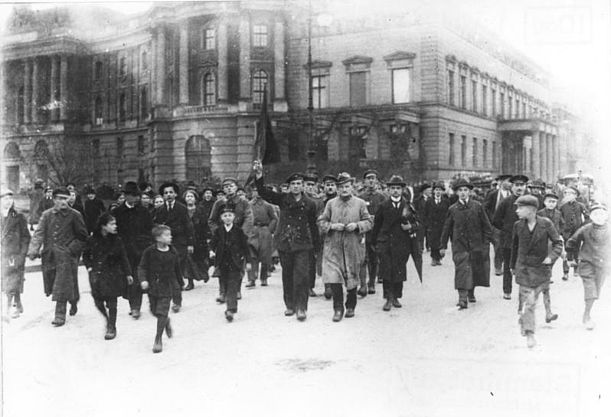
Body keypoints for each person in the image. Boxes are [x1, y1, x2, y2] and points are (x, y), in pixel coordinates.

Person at [253, 161, 320, 321]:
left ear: (303, 186)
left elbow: (313, 225)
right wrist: (259, 175)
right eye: (294, 184)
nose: (296, 186)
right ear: (289, 186)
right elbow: (263, 192)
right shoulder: (283, 199)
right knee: (288, 275)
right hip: (285, 242)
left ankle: (302, 307)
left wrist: (316, 247)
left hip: (303, 243)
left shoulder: (310, 203)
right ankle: (290, 305)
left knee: (302, 276)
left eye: (299, 184)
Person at [27, 187, 88, 326]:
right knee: (55, 282)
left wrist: (71, 250)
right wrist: (33, 249)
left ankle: (60, 314)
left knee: (62, 283)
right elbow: (39, 233)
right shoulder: (47, 215)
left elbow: (83, 237)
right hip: (50, 255)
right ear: (54, 200)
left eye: (65, 198)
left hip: (67, 257)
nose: (63, 202)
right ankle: (74, 299)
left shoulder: (75, 215)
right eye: (60, 198)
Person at [318, 173, 372, 321]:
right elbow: (321, 222)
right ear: (337, 188)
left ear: (352, 187)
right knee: (334, 277)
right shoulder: (331, 204)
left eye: (346, 186)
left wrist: (357, 225)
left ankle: (350, 306)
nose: (344, 189)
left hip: (353, 246)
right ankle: (338, 308)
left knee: (352, 276)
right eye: (340, 187)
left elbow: (369, 222)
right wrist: (332, 226)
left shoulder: (360, 203)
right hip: (333, 246)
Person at [511, 195, 563, 348]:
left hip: (541, 270)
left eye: (520, 208)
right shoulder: (517, 226)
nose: (517, 211)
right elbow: (514, 247)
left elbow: (558, 243)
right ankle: (529, 332)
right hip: (524, 270)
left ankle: (526, 326)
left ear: (532, 210)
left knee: (529, 303)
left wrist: (551, 257)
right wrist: (512, 267)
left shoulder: (546, 224)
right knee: (529, 303)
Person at [440, 178, 493, 309]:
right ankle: (462, 298)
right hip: (459, 245)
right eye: (460, 190)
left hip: (476, 244)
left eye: (465, 190)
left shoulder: (477, 207)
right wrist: (442, 246)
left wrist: (485, 243)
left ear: (469, 192)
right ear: (456, 193)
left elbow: (487, 227)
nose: (463, 193)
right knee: (462, 270)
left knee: (474, 269)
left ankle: (471, 292)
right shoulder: (453, 209)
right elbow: (446, 228)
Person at [371, 175, 419, 313]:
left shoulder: (408, 206)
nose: (396, 191)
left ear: (402, 189)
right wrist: (374, 242)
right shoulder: (383, 206)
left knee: (399, 269)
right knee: (386, 270)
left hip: (402, 243)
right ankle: (388, 298)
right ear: (389, 190)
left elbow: (418, 223)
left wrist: (410, 226)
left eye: (398, 188)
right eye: (393, 188)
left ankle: (397, 296)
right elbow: (377, 225)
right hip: (385, 242)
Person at [83, 213, 133, 340]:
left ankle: (112, 326)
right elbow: (86, 255)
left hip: (113, 274)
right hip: (97, 274)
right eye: (112, 224)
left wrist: (128, 273)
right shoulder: (92, 240)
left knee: (112, 301)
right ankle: (107, 318)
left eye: (115, 223)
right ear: (103, 226)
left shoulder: (117, 240)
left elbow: (123, 257)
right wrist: (89, 267)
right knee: (98, 300)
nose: (115, 226)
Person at [138, 225, 182, 353]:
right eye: (167, 235)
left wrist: (179, 285)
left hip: (167, 286)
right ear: (158, 238)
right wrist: (143, 280)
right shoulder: (149, 251)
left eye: (170, 234)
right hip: (153, 285)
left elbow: (177, 269)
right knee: (154, 311)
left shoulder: (173, 252)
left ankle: (158, 339)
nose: (170, 237)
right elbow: (142, 267)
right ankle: (165, 321)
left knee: (162, 311)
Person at [208, 177, 253, 303]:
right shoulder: (219, 203)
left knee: (237, 265)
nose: (229, 188)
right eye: (226, 186)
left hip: (238, 238)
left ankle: (236, 289)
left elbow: (249, 218)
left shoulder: (243, 202)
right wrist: (219, 233)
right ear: (223, 189)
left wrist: (241, 234)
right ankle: (222, 292)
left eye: (231, 186)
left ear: (236, 187)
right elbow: (211, 220)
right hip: (223, 239)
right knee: (221, 266)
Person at [113, 181, 153, 319]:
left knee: (136, 278)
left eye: (137, 195)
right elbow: (113, 231)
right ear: (126, 196)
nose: (136, 198)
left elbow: (149, 230)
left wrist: (146, 245)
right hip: (123, 251)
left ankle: (135, 307)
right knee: (127, 279)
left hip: (139, 251)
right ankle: (132, 303)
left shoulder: (143, 211)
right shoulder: (117, 212)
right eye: (132, 195)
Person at [566, 203, 609, 330]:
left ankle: (587, 311)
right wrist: (570, 258)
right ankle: (587, 316)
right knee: (591, 289)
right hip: (587, 263)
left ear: (606, 216)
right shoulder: (586, 229)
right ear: (590, 216)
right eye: (595, 214)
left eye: (602, 214)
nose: (599, 216)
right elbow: (572, 241)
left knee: (597, 290)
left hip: (602, 265)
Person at [153, 182, 194, 312]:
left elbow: (188, 226)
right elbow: (156, 227)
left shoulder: (181, 208)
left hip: (179, 243)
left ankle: (177, 301)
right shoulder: (159, 210)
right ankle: (166, 299)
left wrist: (190, 243)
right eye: (165, 193)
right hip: (165, 244)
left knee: (176, 273)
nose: (168, 195)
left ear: (175, 194)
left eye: (171, 192)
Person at [210, 206, 252, 322]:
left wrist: (248, 261)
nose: (227, 218)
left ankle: (230, 309)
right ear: (221, 218)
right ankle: (226, 297)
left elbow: (245, 247)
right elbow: (213, 243)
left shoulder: (238, 231)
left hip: (235, 262)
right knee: (224, 283)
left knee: (233, 284)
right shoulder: (219, 231)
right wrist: (211, 251)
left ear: (234, 217)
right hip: (222, 262)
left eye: (230, 215)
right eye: (225, 216)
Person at [492, 174, 528, 300]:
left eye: (522, 185)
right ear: (512, 187)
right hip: (509, 240)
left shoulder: (530, 201)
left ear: (525, 186)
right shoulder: (506, 202)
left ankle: (525, 290)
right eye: (516, 185)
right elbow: (496, 220)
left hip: (526, 240)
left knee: (525, 265)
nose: (519, 188)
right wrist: (507, 230)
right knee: (508, 265)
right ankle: (507, 291)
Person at [1, 189, 30, 320]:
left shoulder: (18, 217)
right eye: (4, 198)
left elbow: (25, 237)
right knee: (7, 281)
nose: (7, 201)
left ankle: (11, 306)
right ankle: (17, 303)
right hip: (2, 253)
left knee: (12, 280)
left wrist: (22, 254)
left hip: (14, 254)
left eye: (9, 198)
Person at [357, 169, 387, 295]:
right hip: (363, 232)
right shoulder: (360, 197)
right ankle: (363, 285)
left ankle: (371, 284)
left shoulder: (381, 197)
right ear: (364, 181)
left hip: (376, 232)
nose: (370, 180)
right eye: (368, 178)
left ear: (376, 181)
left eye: (373, 178)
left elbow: (386, 213)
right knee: (362, 258)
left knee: (374, 258)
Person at [536, 192, 563, 323]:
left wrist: (560, 234)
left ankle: (548, 312)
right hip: (540, 245)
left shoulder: (558, 214)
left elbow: (561, 225)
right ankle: (526, 314)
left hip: (553, 244)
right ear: (544, 202)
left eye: (554, 201)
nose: (551, 204)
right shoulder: (540, 213)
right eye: (549, 201)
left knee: (545, 278)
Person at [245, 183, 278, 287]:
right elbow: (245, 218)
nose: (257, 193)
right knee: (251, 255)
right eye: (255, 191)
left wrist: (269, 230)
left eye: (259, 191)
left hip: (264, 230)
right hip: (252, 230)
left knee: (265, 255)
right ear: (252, 192)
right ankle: (252, 279)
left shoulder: (268, 205)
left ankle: (264, 277)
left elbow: (274, 218)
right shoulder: (248, 205)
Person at [484, 174, 512, 276]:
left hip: (509, 226)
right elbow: (485, 208)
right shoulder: (493, 194)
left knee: (509, 246)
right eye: (508, 181)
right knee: (498, 246)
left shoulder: (512, 194)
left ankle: (508, 265)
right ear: (501, 182)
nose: (510, 184)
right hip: (496, 226)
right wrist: (491, 222)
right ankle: (498, 267)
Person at [559, 186, 589, 280]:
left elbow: (587, 216)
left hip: (577, 232)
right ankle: (565, 272)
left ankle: (576, 269)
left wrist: (583, 227)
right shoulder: (562, 206)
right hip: (566, 232)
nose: (568, 195)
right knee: (567, 251)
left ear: (575, 195)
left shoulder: (580, 205)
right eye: (566, 193)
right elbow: (559, 218)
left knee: (576, 250)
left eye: (571, 193)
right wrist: (561, 230)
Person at [183, 189, 210, 289]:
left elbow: (205, 224)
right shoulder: (182, 210)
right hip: (187, 238)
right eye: (187, 196)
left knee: (201, 259)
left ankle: (204, 273)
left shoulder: (200, 209)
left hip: (200, 238)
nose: (189, 198)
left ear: (195, 199)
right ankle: (190, 282)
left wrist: (208, 237)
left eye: (191, 196)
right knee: (188, 260)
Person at [303, 172, 324, 297]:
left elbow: (320, 217)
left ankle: (310, 286)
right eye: (307, 184)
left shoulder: (318, 201)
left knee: (311, 261)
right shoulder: (299, 198)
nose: (310, 187)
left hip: (312, 233)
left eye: (312, 185)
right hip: (299, 233)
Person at [423, 181, 450, 266]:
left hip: (442, 225)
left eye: (440, 190)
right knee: (433, 241)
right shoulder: (429, 201)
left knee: (440, 241)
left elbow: (448, 214)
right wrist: (427, 224)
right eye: (436, 190)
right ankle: (434, 258)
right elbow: (425, 213)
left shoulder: (446, 201)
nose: (438, 192)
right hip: (432, 225)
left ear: (442, 191)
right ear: (434, 191)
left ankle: (438, 258)